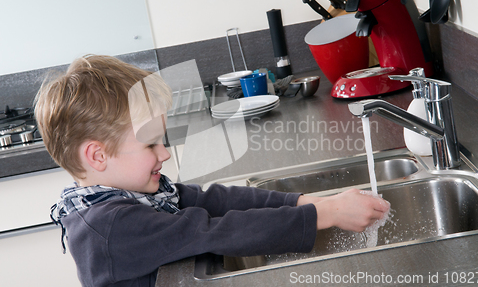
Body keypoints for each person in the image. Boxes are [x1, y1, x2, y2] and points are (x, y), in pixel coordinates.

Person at [35, 55, 390, 287]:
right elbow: (215, 230)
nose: (165, 153)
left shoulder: (139, 193)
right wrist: (324, 213)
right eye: (150, 145)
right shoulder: (112, 224)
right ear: (98, 156)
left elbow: (215, 200)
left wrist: (303, 202)